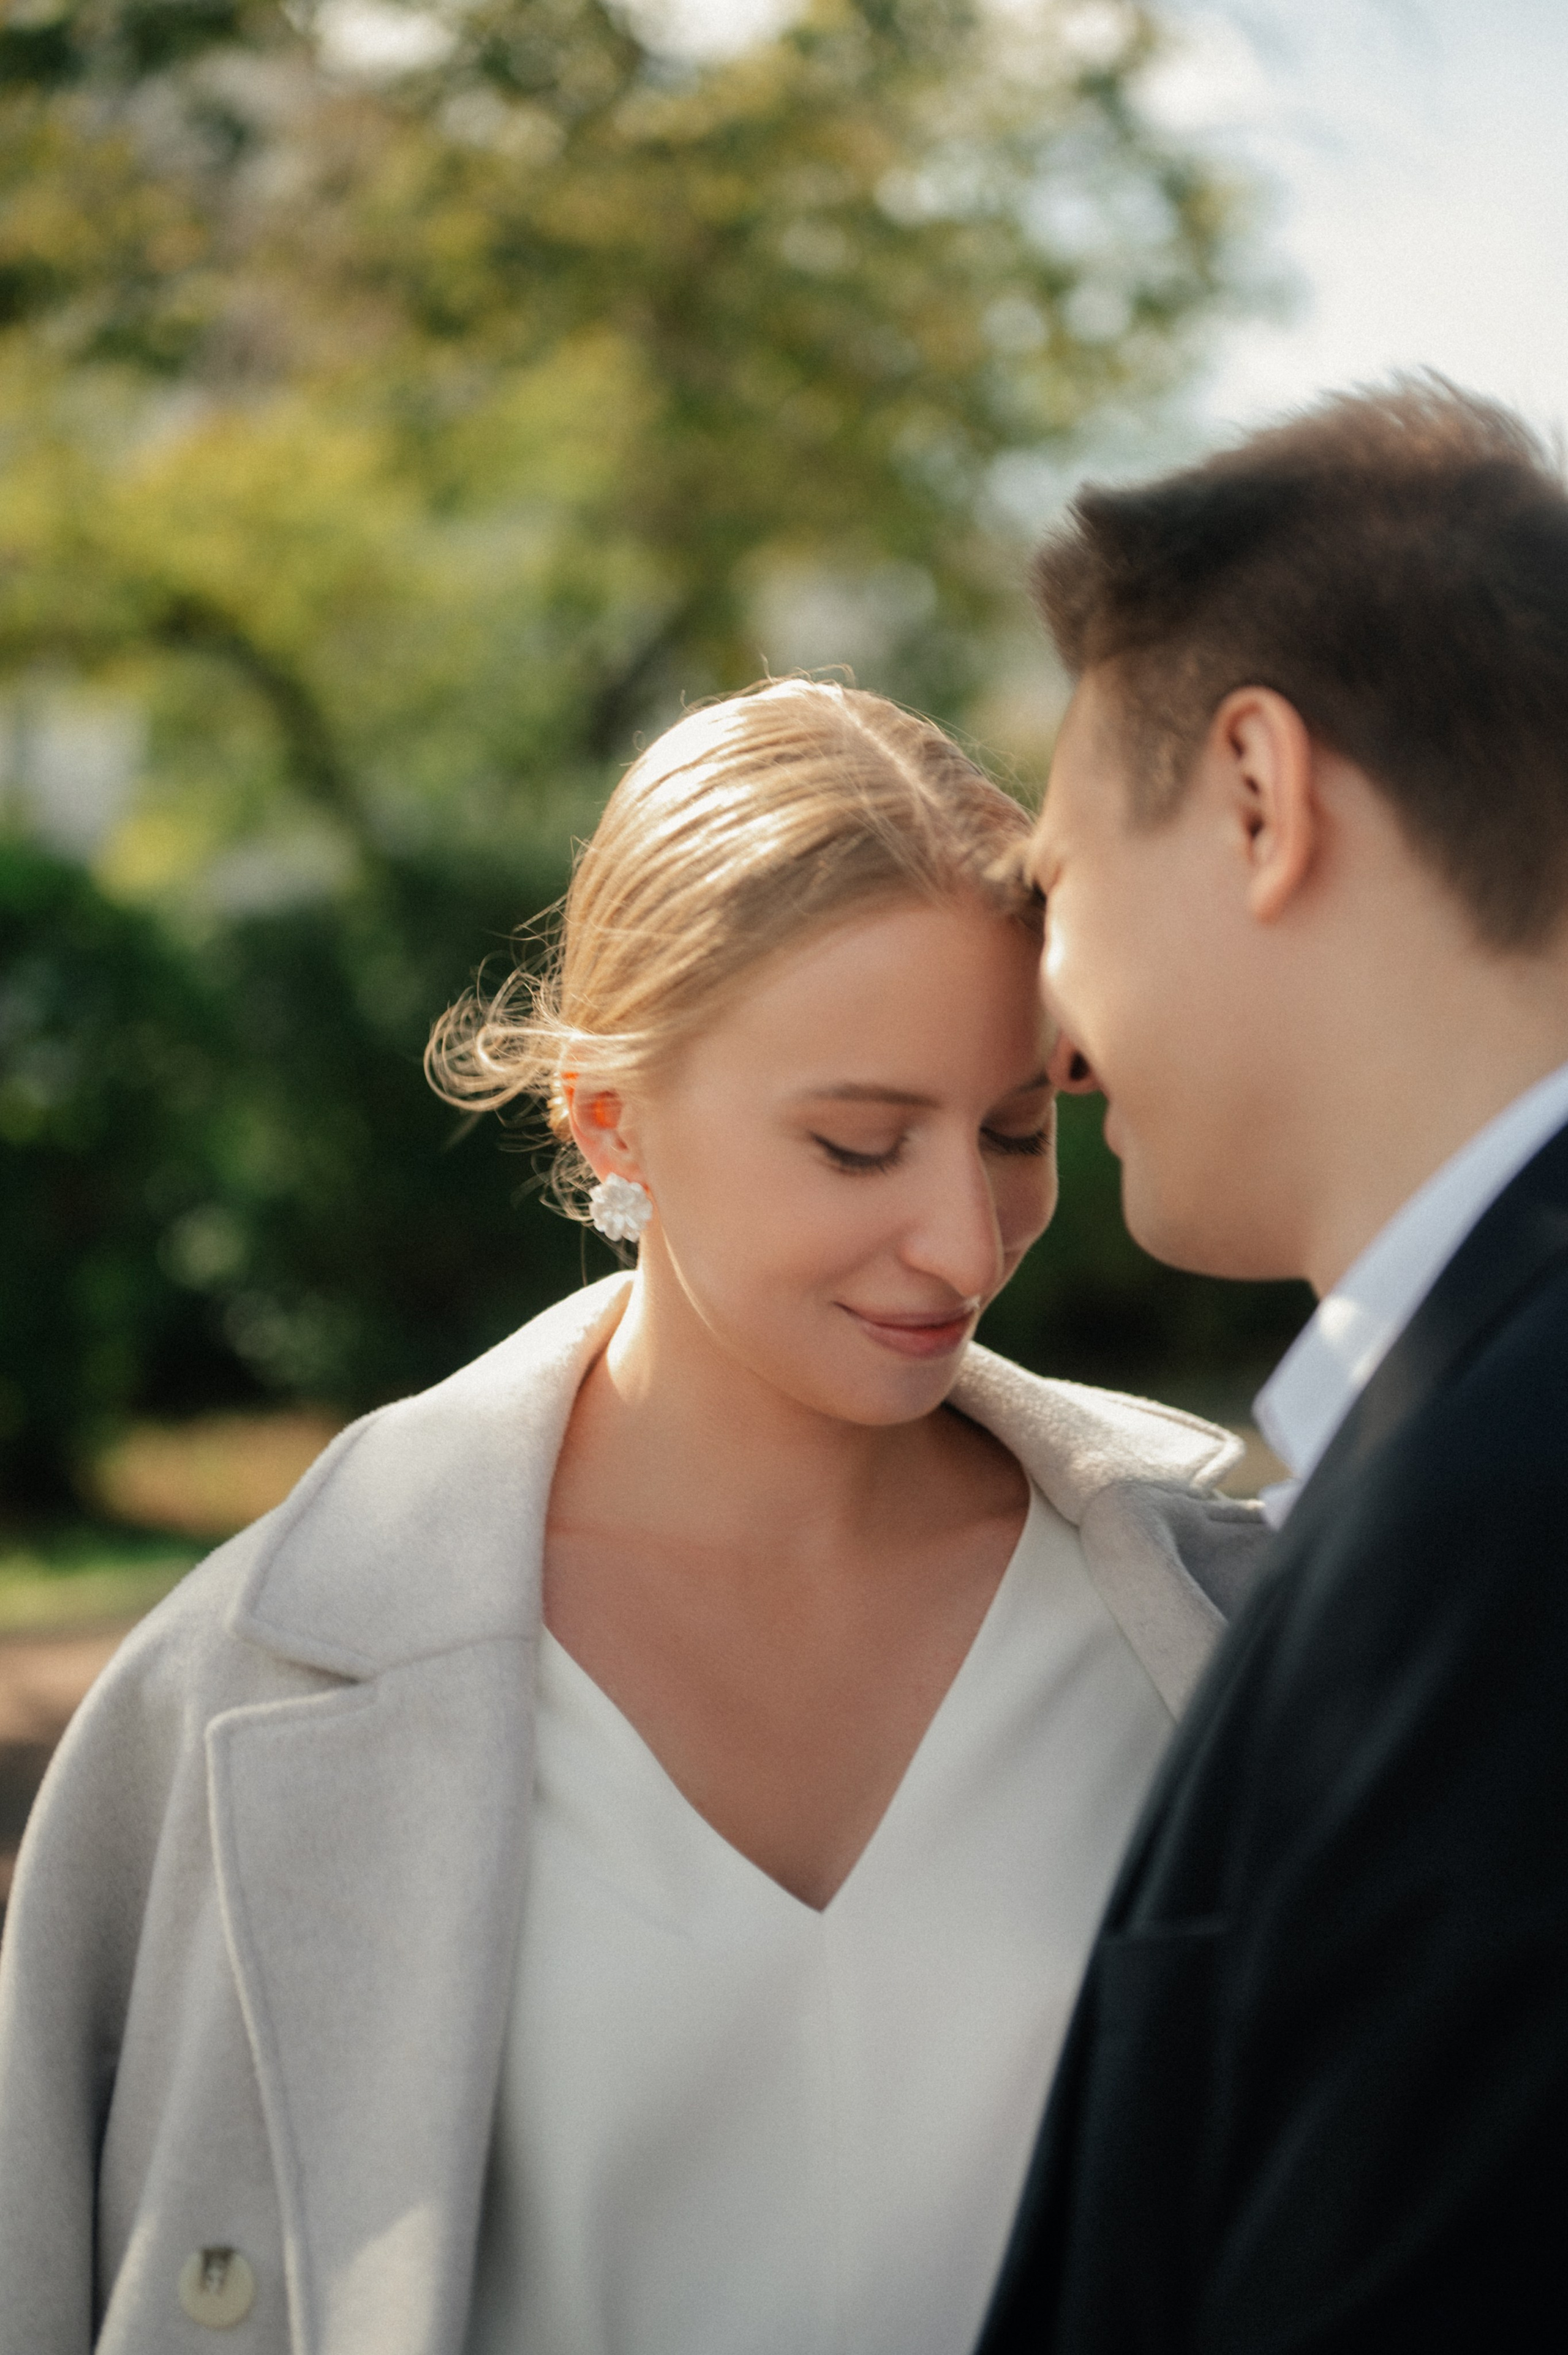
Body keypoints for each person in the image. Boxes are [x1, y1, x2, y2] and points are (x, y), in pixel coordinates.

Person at [0, 679, 1264, 2355]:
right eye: (858, 1143)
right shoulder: (233, 1683)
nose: (968, 1243)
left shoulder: (1220, 1610)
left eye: (1017, 1132)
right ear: (609, 1115)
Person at [976, 379, 1568, 2354]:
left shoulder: (1505, 1511)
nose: (1050, 1038)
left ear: (1257, 794)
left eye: (1059, 887)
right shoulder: (1461, 1434)